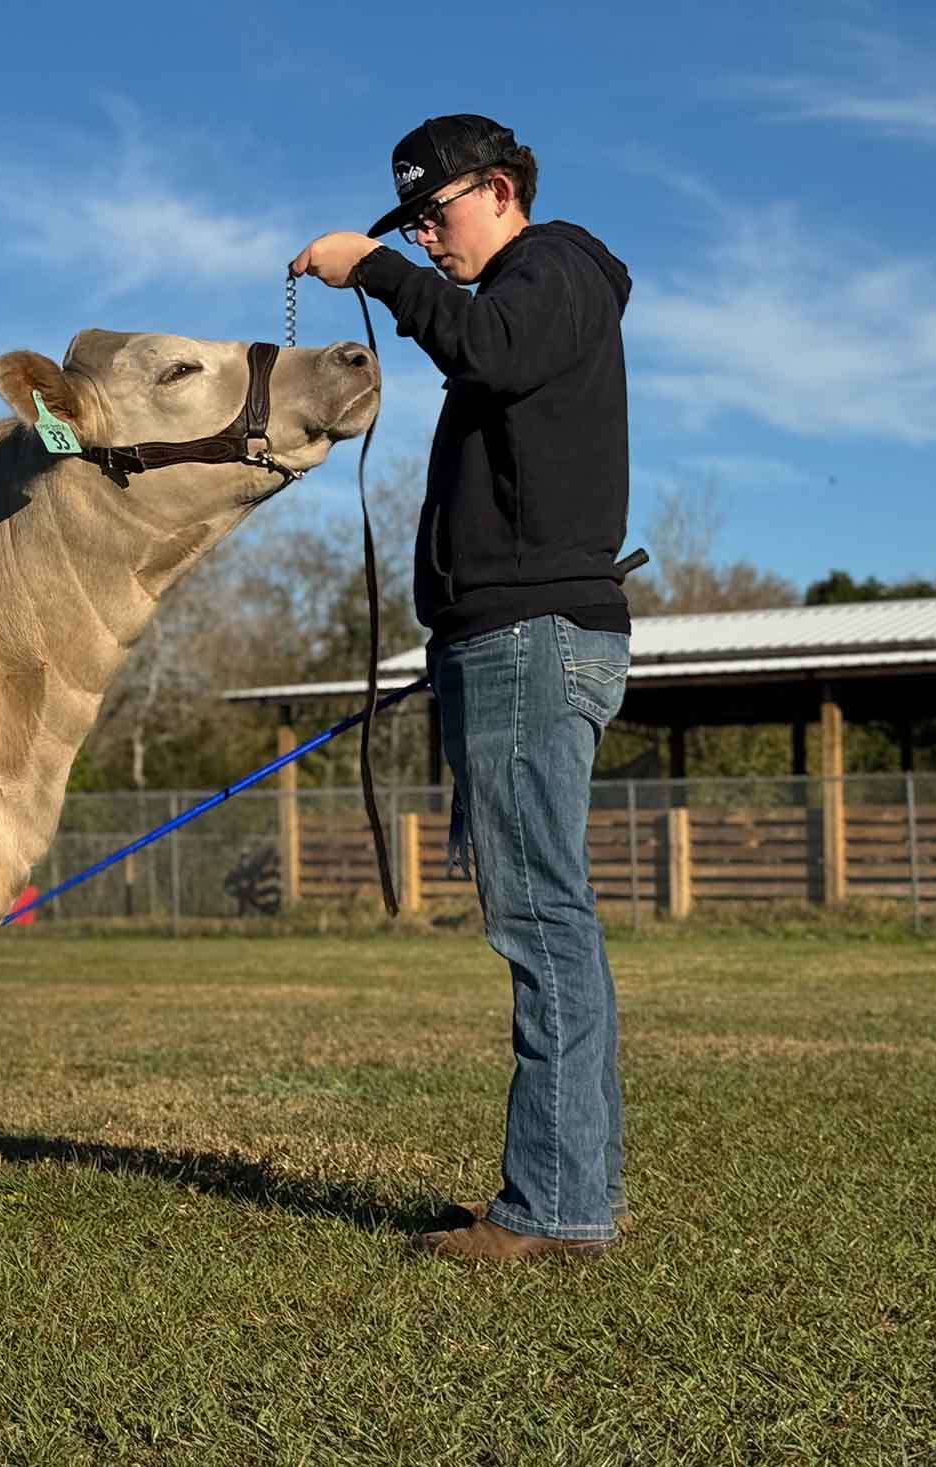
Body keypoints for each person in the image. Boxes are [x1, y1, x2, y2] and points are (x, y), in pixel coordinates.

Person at [290, 115, 635, 1262]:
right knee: (539, 919)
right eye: (412, 226)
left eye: (435, 215)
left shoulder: (555, 269)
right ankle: (555, 1196)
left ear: (499, 190)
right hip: (508, 637)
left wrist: (370, 269)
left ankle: (551, 1213)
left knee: (541, 922)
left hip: (533, 638)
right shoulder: (531, 292)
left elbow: (485, 348)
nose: (426, 240)